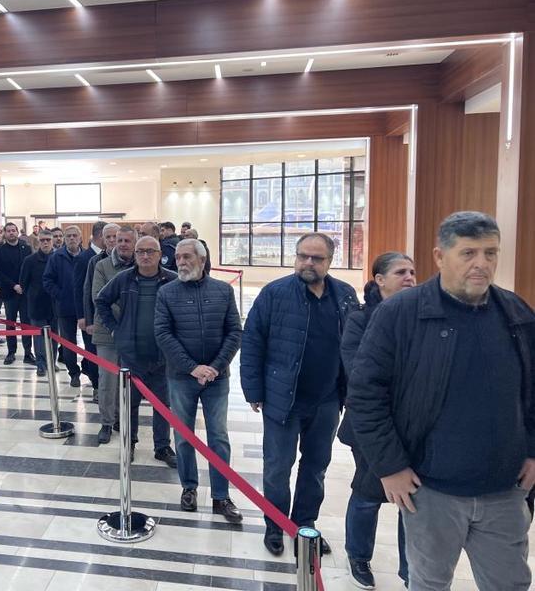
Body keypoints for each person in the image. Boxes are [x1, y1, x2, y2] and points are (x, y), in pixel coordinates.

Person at [348, 212, 535, 591]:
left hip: (504, 489)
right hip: (431, 489)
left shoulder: (516, 313)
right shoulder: (399, 314)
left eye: (490, 253)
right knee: (429, 583)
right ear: (440, 256)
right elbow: (366, 394)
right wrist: (390, 466)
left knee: (510, 584)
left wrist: (533, 449)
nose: (481, 263)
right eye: (468, 253)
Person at [241, 233, 358, 556]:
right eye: (302, 256)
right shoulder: (274, 293)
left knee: (316, 467)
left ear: (330, 262)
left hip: (327, 400)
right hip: (283, 399)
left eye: (316, 258)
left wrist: (352, 391)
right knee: (277, 468)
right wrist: (253, 389)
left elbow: (354, 346)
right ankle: (275, 525)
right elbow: (252, 341)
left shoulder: (345, 295)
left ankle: (304, 524)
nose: (308, 262)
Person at [337, 252, 416, 589]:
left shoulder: (421, 316)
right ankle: (358, 556)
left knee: (412, 501)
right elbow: (359, 374)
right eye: (401, 272)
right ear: (380, 280)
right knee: (369, 494)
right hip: (371, 426)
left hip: (414, 426)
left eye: (412, 272)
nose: (410, 277)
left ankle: (411, 569)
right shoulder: (360, 319)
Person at [154, 238, 243, 523]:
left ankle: (221, 496)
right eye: (178, 257)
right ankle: (189, 487)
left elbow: (234, 332)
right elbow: (163, 334)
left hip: (217, 378)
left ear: (202, 260)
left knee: (219, 437)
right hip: (181, 378)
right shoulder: (166, 292)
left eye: (187, 257)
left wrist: (215, 367)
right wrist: (192, 368)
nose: (180, 262)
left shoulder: (223, 291)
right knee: (183, 436)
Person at [96, 235, 178, 467]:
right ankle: (129, 443)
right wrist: (115, 329)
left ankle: (162, 447)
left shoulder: (172, 280)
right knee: (129, 404)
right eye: (140, 251)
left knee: (163, 404)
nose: (145, 256)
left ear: (160, 254)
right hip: (131, 355)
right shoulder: (124, 279)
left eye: (150, 251)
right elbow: (101, 300)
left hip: (162, 356)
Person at [91, 226, 136, 442]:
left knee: (128, 379)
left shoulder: (141, 265)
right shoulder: (102, 266)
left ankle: (121, 418)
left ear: (134, 243)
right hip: (107, 331)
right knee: (107, 380)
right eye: (119, 240)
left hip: (135, 333)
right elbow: (99, 297)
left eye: (127, 241)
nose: (123, 244)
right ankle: (107, 422)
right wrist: (129, 313)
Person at [82, 223, 120, 403]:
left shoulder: (132, 260)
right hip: (103, 322)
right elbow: (88, 291)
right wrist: (88, 320)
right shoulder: (95, 261)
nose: (112, 240)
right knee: (106, 374)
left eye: (115, 236)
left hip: (126, 324)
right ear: (103, 239)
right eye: (108, 237)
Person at [43, 225, 83, 385]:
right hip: (65, 307)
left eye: (74, 235)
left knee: (91, 343)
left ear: (80, 238)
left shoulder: (87, 256)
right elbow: (47, 280)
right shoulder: (56, 257)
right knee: (68, 342)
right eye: (69, 236)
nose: (72, 238)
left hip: (85, 308)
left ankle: (90, 369)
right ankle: (74, 373)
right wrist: (60, 295)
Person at [0, 222, 36, 366]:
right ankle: (11, 352)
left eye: (13, 230)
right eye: (9, 231)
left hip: (25, 293)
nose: (11, 233)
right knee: (10, 323)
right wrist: (14, 285)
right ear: (5, 233)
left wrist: (24, 286)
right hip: (9, 292)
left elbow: (31, 268)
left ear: (18, 232)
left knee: (26, 323)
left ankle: (28, 353)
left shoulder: (26, 248)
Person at [73, 221, 107, 395]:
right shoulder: (84, 258)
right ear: (101, 236)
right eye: (109, 236)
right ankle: (96, 386)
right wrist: (82, 316)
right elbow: (79, 289)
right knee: (92, 351)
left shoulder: (107, 256)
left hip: (105, 315)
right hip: (90, 315)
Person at [20, 230, 55, 377]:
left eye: (48, 240)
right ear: (38, 242)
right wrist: (33, 294)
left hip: (54, 305)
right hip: (37, 304)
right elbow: (23, 282)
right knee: (39, 337)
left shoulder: (58, 258)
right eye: (42, 240)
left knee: (54, 336)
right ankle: (41, 364)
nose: (45, 243)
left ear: (52, 241)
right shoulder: (30, 260)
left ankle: (51, 362)